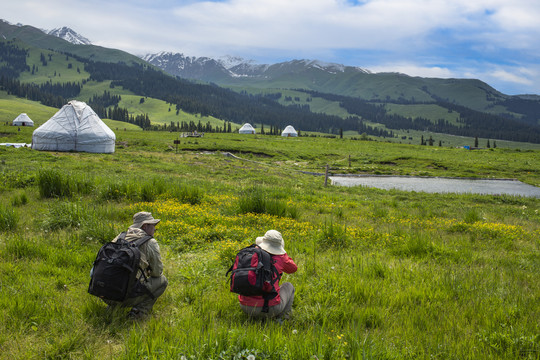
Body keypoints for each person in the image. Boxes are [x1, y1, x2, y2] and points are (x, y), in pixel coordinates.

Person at [105, 211, 168, 319]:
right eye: (153, 226)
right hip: (124, 295)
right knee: (162, 281)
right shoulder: (150, 242)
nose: (154, 229)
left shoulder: (120, 236)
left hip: (103, 292)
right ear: (145, 226)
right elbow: (157, 272)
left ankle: (113, 306)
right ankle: (138, 314)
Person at [239, 230, 297, 320]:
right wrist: (283, 254)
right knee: (289, 286)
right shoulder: (281, 258)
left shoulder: (251, 253)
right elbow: (293, 269)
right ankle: (282, 318)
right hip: (271, 309)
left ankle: (252, 317)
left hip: (245, 306)